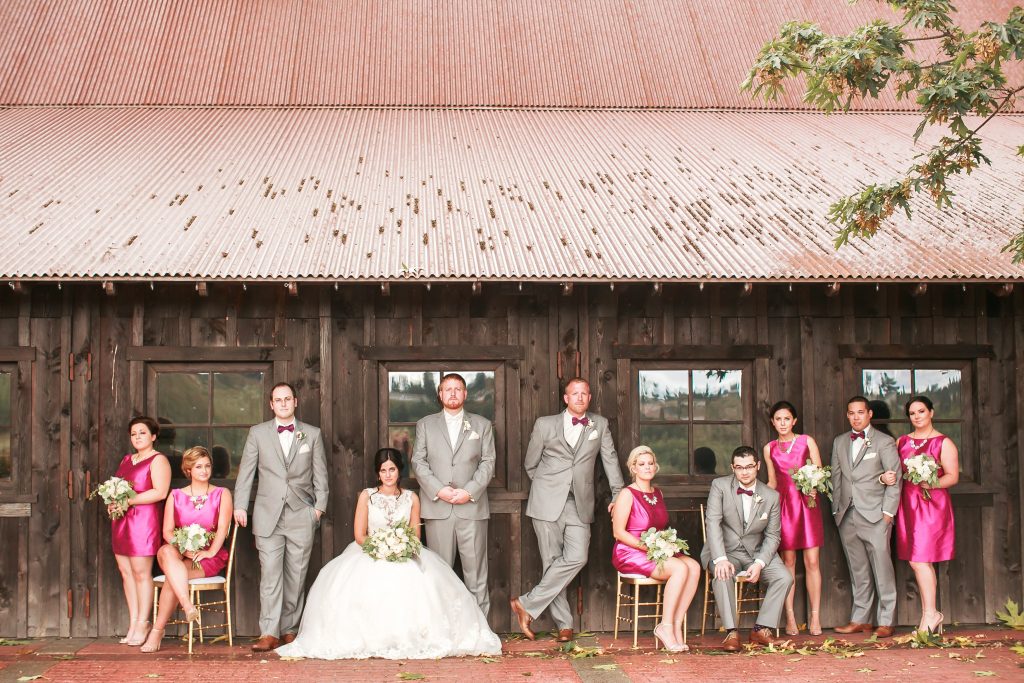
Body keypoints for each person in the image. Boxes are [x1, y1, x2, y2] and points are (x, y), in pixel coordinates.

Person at [275, 449, 502, 659]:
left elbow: (414, 534)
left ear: (399, 470)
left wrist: (400, 546)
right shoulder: (368, 496)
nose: (388, 474)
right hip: (371, 551)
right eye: (383, 470)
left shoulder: (411, 498)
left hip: (404, 551)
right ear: (378, 473)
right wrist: (382, 547)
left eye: (392, 469)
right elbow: (360, 535)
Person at [510, 377, 625, 643]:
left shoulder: (600, 424)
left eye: (585, 393)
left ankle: (526, 603)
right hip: (546, 502)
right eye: (575, 393)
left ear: (590, 397)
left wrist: (619, 493)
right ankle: (564, 624)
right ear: (566, 398)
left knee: (576, 557)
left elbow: (610, 460)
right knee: (551, 561)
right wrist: (549, 486)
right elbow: (531, 464)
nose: (580, 398)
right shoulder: (544, 424)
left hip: (579, 502)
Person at [233, 382, 329, 652]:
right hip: (267, 515)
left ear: (295, 402)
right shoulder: (258, 433)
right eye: (278, 400)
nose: (284, 403)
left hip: (302, 513)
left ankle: (290, 629)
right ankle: (269, 631)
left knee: (296, 575)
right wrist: (240, 505)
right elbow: (246, 472)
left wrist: (318, 509)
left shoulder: (312, 434)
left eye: (288, 399)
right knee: (271, 575)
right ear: (271, 404)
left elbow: (320, 474)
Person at [411, 373, 496, 615]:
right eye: (447, 389)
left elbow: (488, 462)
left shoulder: (482, 425)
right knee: (440, 573)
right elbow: (418, 462)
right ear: (440, 394)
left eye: (457, 389)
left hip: (472, 508)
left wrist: (468, 492)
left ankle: (480, 630)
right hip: (438, 508)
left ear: (465, 393)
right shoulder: (425, 424)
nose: (452, 393)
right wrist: (439, 490)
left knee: (477, 574)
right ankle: (444, 628)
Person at [141, 447, 232, 653]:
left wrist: (209, 552)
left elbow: (222, 530)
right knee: (165, 552)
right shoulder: (176, 496)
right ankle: (187, 605)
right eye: (198, 466)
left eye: (207, 466)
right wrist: (185, 546)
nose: (204, 470)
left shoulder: (221, 494)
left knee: (174, 577)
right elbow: (167, 531)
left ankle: (157, 631)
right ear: (188, 470)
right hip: (181, 551)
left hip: (206, 556)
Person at [701, 446, 792, 652]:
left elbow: (772, 535)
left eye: (749, 466)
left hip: (756, 552)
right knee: (722, 574)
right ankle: (732, 633)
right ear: (733, 468)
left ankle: (761, 629)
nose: (745, 472)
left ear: (757, 466)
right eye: (739, 467)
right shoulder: (720, 486)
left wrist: (760, 563)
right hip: (725, 551)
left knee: (784, 577)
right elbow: (712, 523)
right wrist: (720, 558)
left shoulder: (771, 496)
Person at [612, 445, 701, 652]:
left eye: (650, 463)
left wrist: (665, 543)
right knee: (679, 568)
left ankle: (677, 625)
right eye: (641, 464)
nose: (647, 467)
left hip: (656, 548)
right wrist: (649, 546)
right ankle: (665, 626)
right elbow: (618, 532)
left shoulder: (657, 493)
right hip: (630, 550)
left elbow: (660, 527)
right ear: (633, 468)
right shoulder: (627, 494)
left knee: (694, 567)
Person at [884, 396, 958, 634]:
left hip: (932, 505)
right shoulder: (902, 441)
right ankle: (931, 613)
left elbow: (952, 476)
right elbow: (893, 471)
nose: (917, 416)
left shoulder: (943, 443)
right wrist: (886, 478)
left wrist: (931, 483)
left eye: (921, 411)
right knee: (919, 560)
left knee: (919, 559)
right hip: (908, 504)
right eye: (912, 413)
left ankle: (930, 614)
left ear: (931, 412)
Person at [831, 396, 901, 638]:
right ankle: (861, 619)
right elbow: (837, 479)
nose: (856, 417)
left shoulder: (884, 441)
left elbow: (895, 478)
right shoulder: (840, 442)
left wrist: (888, 513)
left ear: (869, 414)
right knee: (857, 570)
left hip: (876, 515)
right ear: (847, 415)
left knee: (882, 569)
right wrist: (836, 510)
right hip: (847, 514)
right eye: (851, 413)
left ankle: (886, 619)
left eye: (860, 412)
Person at [762, 401, 824, 636]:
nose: (783, 423)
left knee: (812, 562)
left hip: (807, 505)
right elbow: (772, 482)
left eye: (787, 419)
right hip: (785, 507)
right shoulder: (769, 448)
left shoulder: (807, 441)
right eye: (778, 419)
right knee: (788, 564)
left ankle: (815, 617)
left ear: (794, 420)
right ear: (773, 422)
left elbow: (818, 472)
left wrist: (813, 488)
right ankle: (790, 617)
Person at [111, 416, 171, 647]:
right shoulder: (127, 459)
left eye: (142, 432)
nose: (137, 437)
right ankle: (133, 623)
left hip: (143, 521)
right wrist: (113, 501)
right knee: (125, 572)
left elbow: (160, 492)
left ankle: (144, 621)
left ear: (153, 436)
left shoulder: (158, 460)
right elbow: (117, 488)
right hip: (121, 520)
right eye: (134, 433)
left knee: (140, 573)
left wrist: (129, 501)